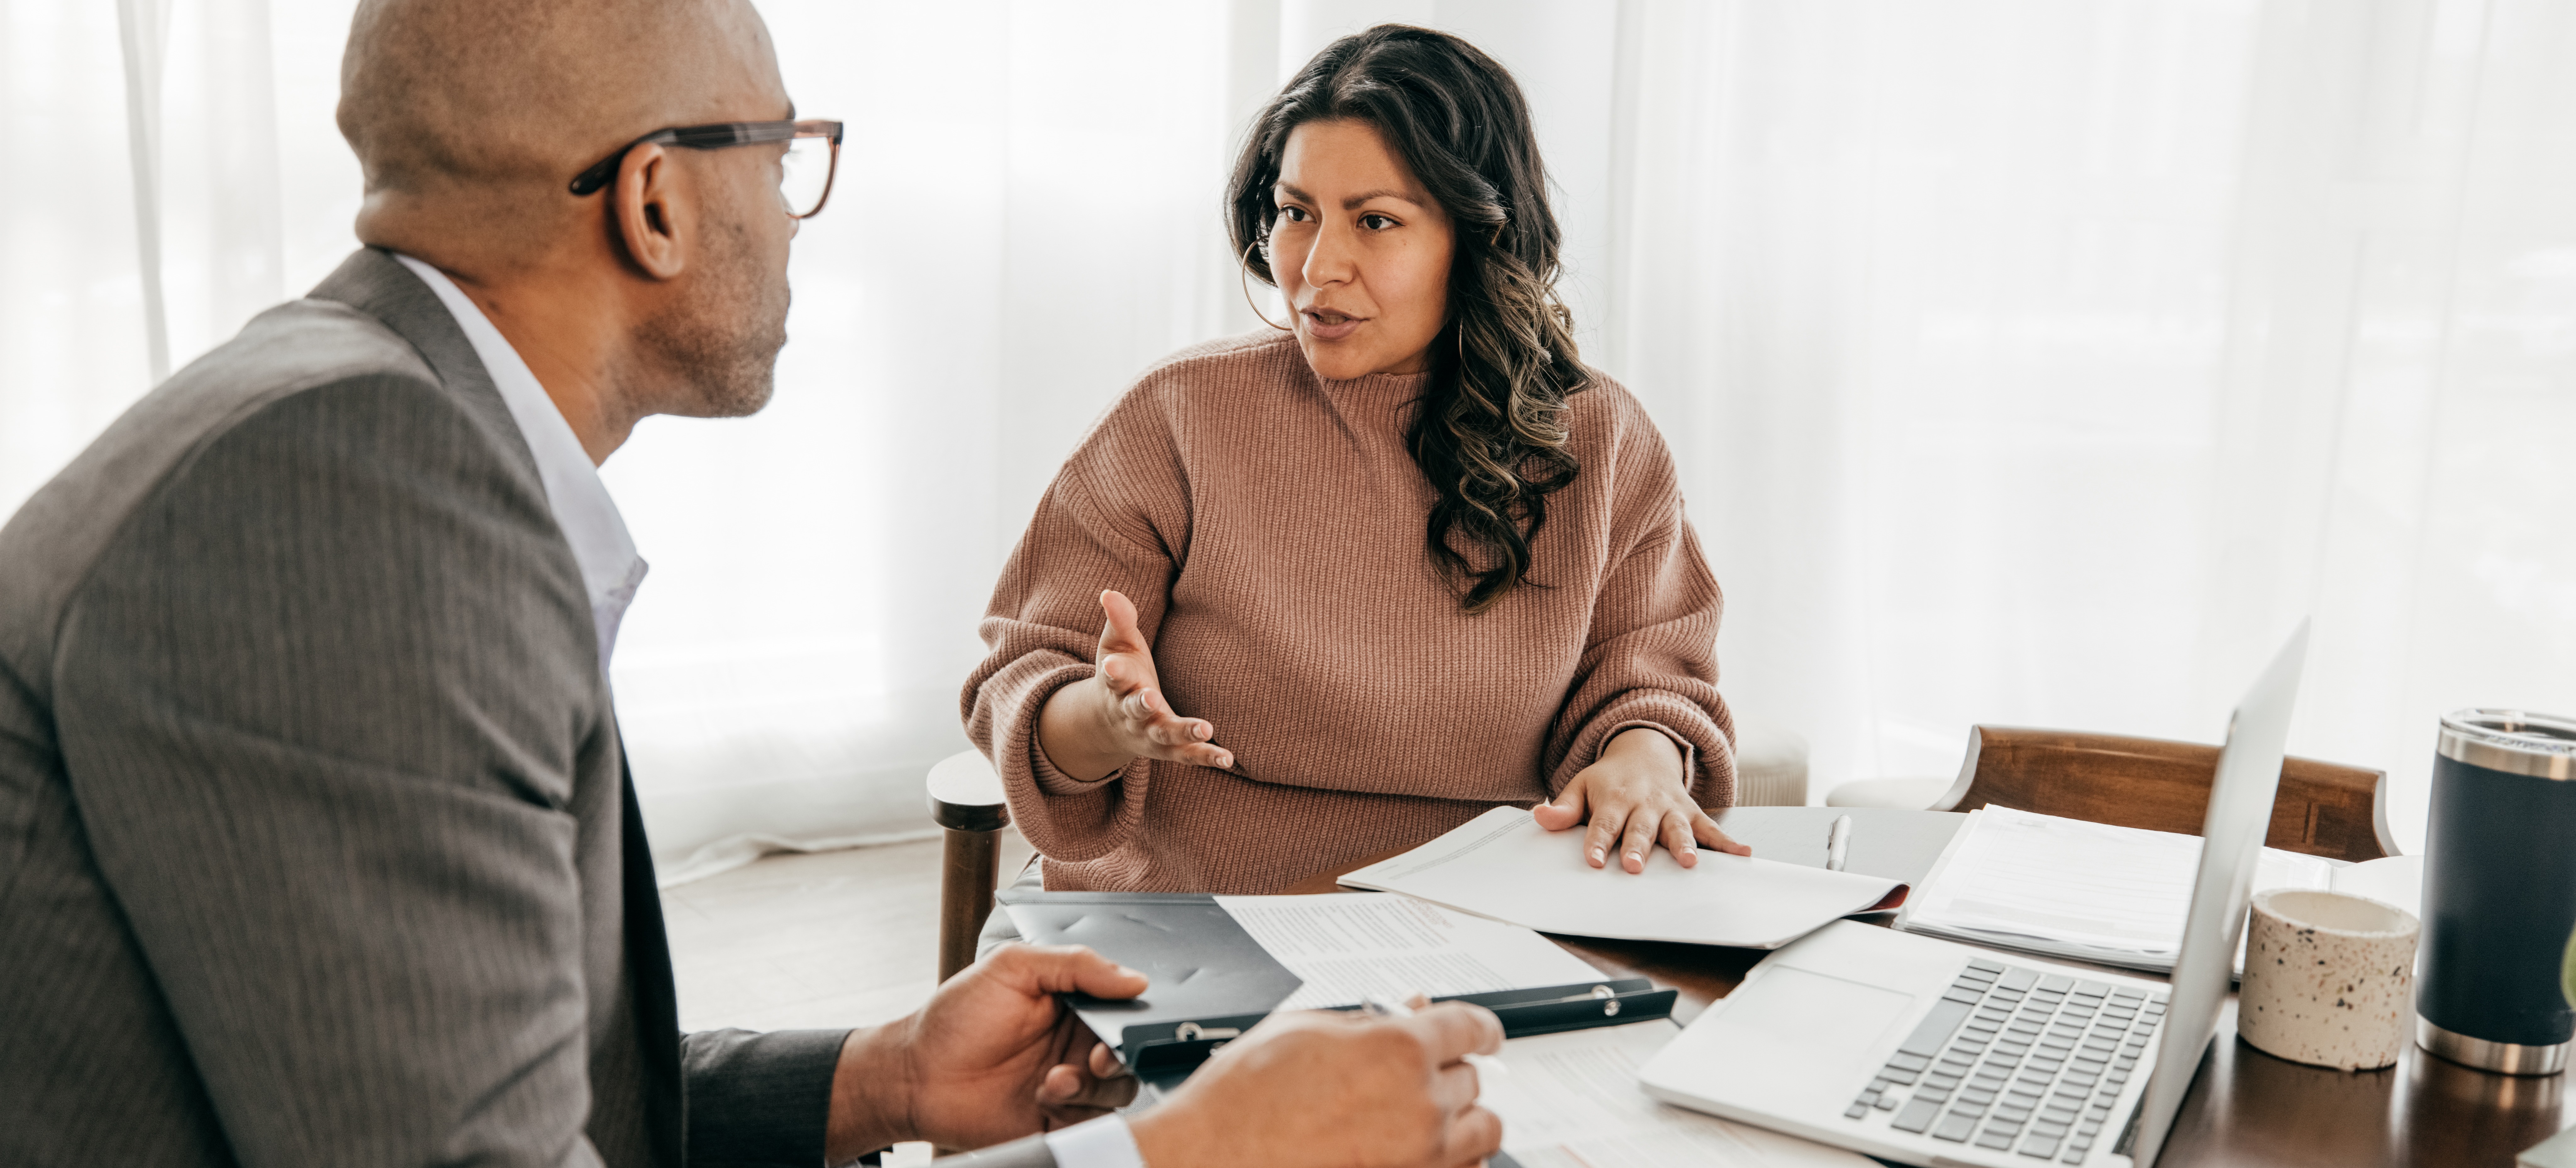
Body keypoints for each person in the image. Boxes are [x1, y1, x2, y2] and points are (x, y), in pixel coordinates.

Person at [0, 2, 1505, 1166]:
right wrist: (1178, 1150)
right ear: (654, 201)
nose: (795, 217)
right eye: (779, 159)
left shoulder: (360, 422)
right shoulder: (345, 498)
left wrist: (877, 1077)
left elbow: (500, 1087)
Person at [966, 25, 1744, 896]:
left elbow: (1648, 674)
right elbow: (1027, 677)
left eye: (1375, 221)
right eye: (1297, 214)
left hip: (1490, 923)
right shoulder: (1180, 414)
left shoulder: (1600, 441)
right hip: (1197, 913)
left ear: (1478, 237)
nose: (1317, 267)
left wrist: (1640, 755)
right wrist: (1107, 724)